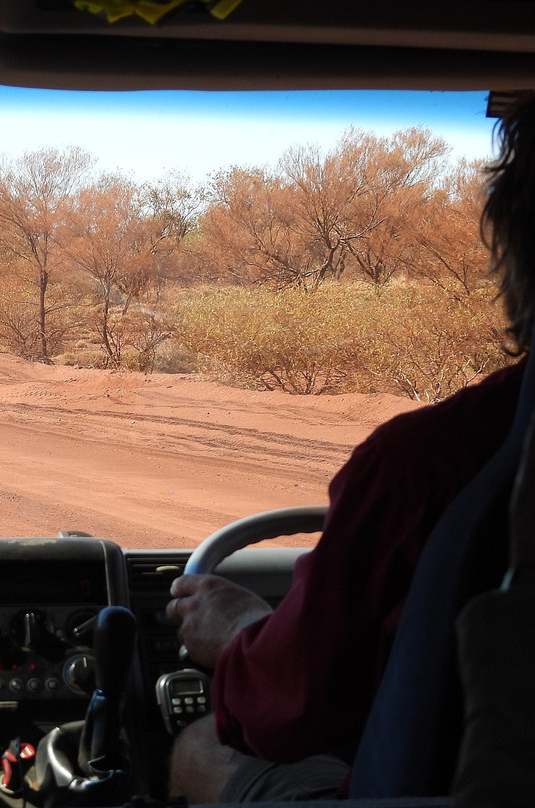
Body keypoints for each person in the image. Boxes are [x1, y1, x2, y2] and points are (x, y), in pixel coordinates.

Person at [165, 91, 535, 804]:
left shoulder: (429, 467)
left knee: (202, 744)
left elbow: (286, 710)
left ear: (516, 247)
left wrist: (244, 630)